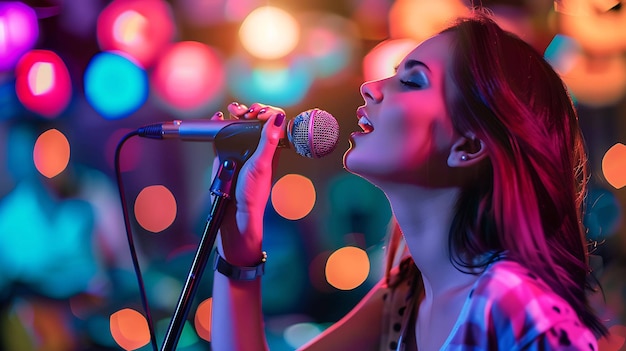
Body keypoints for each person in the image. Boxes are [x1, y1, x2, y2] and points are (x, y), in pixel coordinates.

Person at [209, 9, 608, 351]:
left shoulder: (517, 305)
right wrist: (239, 221)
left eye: (412, 81)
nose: (370, 87)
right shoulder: (406, 294)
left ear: (468, 145)